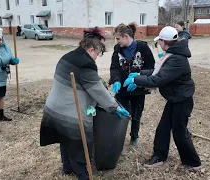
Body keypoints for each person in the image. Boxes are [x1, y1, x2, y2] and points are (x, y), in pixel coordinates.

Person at [39, 27, 130, 180]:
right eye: (98, 53)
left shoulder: (68, 56)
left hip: (53, 107)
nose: (97, 57)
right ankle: (83, 175)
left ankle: (67, 168)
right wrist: (115, 108)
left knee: (63, 138)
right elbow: (98, 90)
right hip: (68, 111)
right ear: (90, 49)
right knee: (77, 143)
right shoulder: (85, 63)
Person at [123, 26, 201, 170]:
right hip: (175, 98)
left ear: (165, 41)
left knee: (180, 132)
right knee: (163, 129)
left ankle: (193, 162)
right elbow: (158, 71)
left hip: (182, 100)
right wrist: (140, 73)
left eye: (160, 42)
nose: (159, 44)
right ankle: (159, 156)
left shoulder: (177, 59)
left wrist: (136, 80)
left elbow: (157, 80)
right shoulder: (172, 54)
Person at [109, 22, 155, 147]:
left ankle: (134, 137)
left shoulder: (143, 48)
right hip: (122, 90)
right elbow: (114, 68)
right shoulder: (117, 49)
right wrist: (116, 80)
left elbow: (152, 68)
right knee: (120, 114)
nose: (117, 41)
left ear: (126, 36)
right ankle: (119, 138)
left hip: (138, 90)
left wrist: (139, 78)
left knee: (136, 114)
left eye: (118, 38)